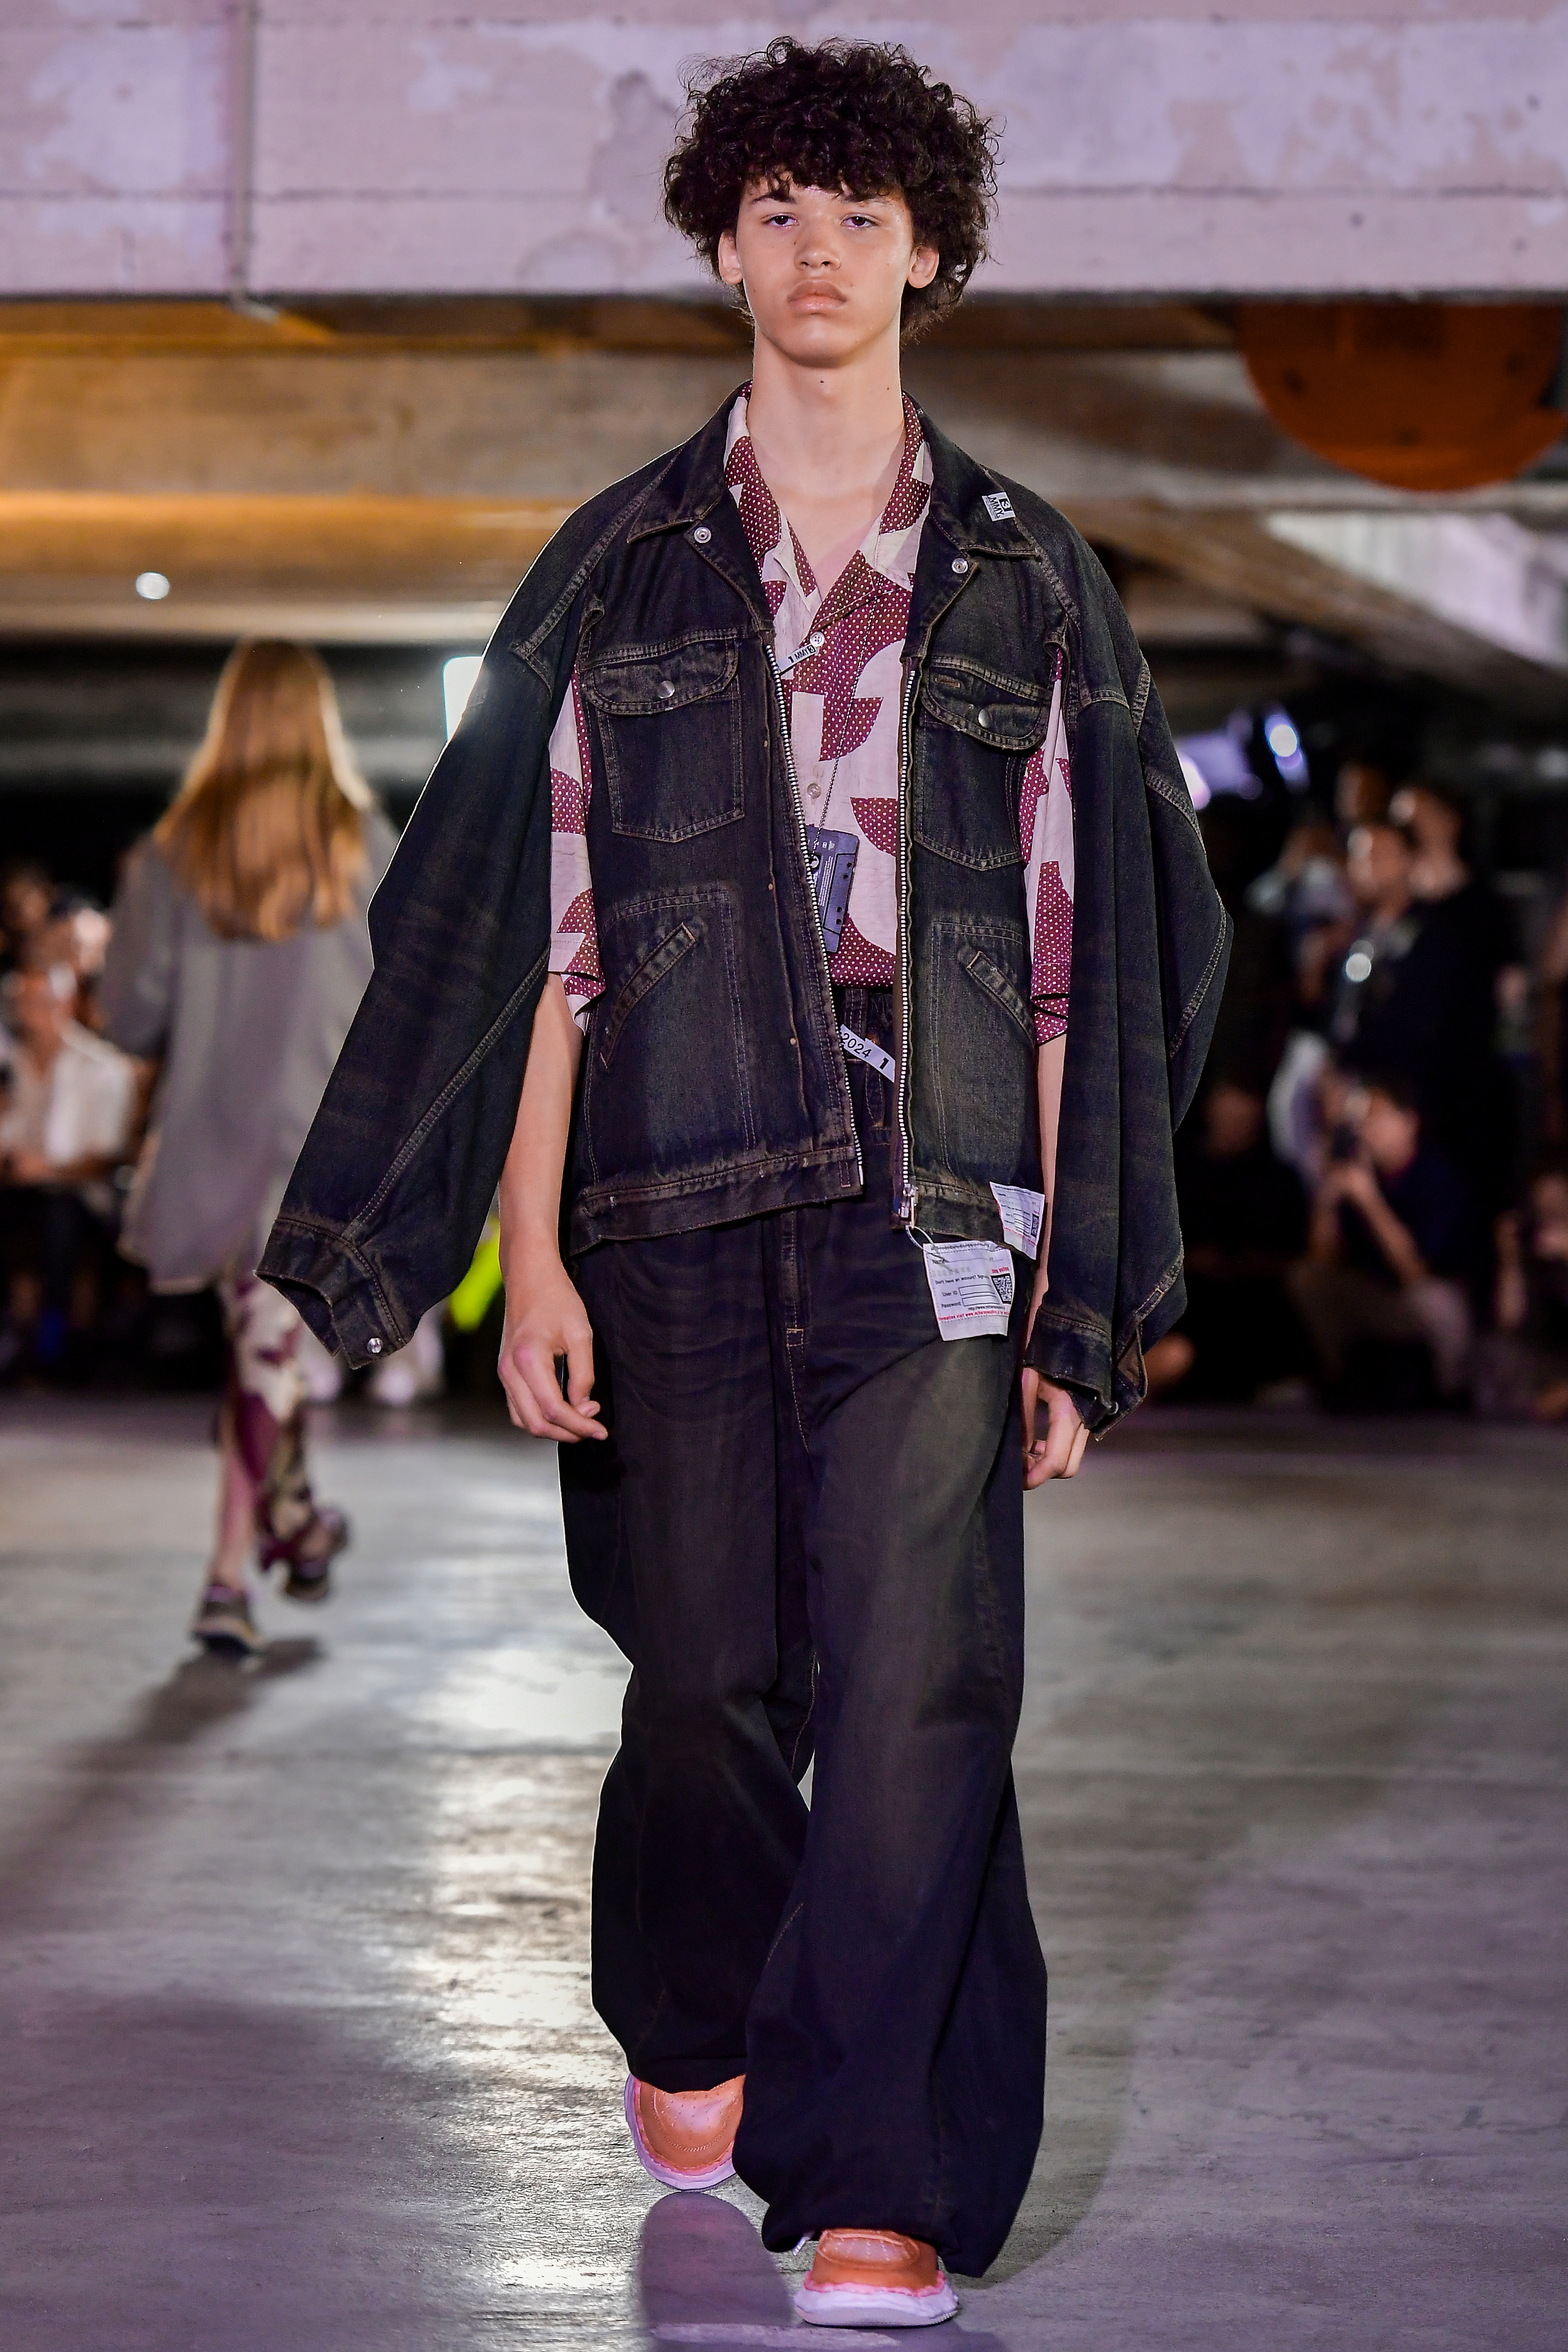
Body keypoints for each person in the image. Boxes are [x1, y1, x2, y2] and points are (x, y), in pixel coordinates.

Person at [259, 36, 1229, 2326]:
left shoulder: (1034, 582)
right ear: (724, 241)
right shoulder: (611, 568)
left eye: (865, 218)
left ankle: (880, 2175)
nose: (822, 254)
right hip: (671, 1197)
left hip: (941, 1214)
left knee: (917, 1692)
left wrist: (1076, 1310)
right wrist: (519, 1251)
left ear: (932, 256)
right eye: (781, 211)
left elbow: (1097, 972)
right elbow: (530, 939)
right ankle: (695, 2021)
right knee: (698, 1684)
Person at [101, 639, 394, 1655]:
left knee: (260, 1348)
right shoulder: (361, 845)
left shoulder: (169, 856)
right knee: (268, 1351)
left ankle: (292, 1522)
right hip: (321, 1147)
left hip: (212, 1147)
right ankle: (229, 1574)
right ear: (322, 722)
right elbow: (398, 1007)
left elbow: (128, 1017)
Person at [1287, 1073, 1475, 1405]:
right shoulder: (1358, 1170)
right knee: (1308, 1279)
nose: (1368, 1129)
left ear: (1410, 1121)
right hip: (1374, 1296)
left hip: (1424, 1298)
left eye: (1379, 1117)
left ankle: (1453, 1393)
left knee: (1436, 1302)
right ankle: (1339, 1382)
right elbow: (1322, 1260)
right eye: (1363, 1120)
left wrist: (1371, 1202)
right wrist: (1327, 1200)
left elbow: (1414, 1272)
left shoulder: (1434, 1176)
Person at [0, 964, 138, 1375]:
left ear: (67, 1004)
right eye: (23, 1003)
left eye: (41, 1003)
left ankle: (51, 1344)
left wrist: (51, 1170)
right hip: (19, 1189)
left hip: (81, 1195)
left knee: (59, 1220)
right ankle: (13, 1336)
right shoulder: (13, 1067)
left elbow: (108, 1155)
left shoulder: (101, 1067)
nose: (31, 1014)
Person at [1146, 1079, 1308, 1402]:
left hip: (1256, 1297)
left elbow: (1296, 1251)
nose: (1235, 1125)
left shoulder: (1278, 1179)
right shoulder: (1176, 1171)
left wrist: (1241, 1264)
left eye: (1244, 1119)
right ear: (1210, 1111)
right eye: (1228, 1115)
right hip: (1186, 1295)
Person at [1473, 1163, 1568, 1423]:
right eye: (1544, 1206)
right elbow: (1510, 1320)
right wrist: (1510, 1260)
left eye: (1559, 1205)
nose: (1552, 1215)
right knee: (1496, 1351)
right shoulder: (1531, 1251)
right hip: (1545, 1359)